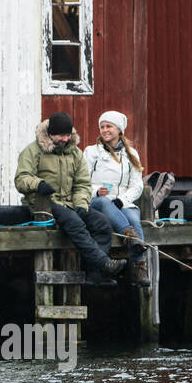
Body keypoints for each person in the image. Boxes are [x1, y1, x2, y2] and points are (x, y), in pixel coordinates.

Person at [14, 111, 127, 280]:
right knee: (74, 222)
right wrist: (38, 184)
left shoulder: (75, 153)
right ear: (50, 133)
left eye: (68, 135)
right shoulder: (33, 150)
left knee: (102, 223)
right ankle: (104, 264)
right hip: (43, 203)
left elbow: (82, 183)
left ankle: (95, 276)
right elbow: (21, 179)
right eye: (61, 135)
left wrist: (81, 205)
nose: (65, 139)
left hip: (70, 203)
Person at [83, 110, 147, 269]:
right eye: (102, 127)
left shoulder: (131, 154)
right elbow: (81, 181)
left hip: (121, 202)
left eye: (109, 126)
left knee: (133, 218)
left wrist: (121, 200)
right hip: (97, 201)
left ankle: (139, 267)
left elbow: (137, 185)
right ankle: (131, 237)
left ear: (119, 129)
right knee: (105, 202)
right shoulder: (91, 152)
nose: (104, 130)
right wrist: (96, 190)